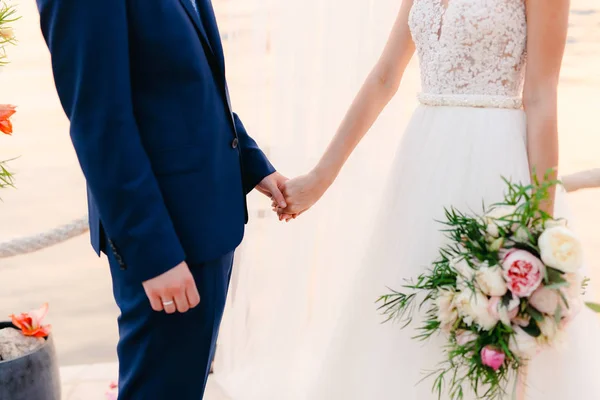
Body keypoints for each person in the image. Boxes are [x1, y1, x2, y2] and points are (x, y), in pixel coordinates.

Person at [271, 0, 600, 398]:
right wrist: (320, 178)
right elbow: (384, 77)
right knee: (410, 320)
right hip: (422, 163)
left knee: (487, 324)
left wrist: (538, 226)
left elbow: (542, 98)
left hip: (494, 166)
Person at [35, 0, 287, 398]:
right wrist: (154, 255)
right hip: (168, 241)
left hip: (207, 220)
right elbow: (99, 123)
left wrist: (252, 164)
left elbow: (185, 81)